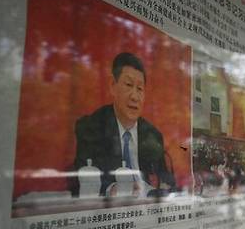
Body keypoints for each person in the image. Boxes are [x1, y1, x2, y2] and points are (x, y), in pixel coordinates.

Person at [73, 52, 176, 196]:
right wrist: (113, 189)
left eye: (139, 89)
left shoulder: (153, 135)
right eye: (128, 85)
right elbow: (81, 179)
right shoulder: (91, 127)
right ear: (113, 86)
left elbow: (166, 180)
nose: (134, 96)